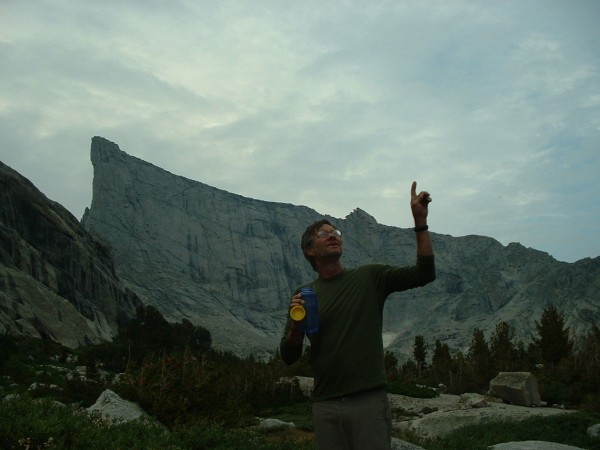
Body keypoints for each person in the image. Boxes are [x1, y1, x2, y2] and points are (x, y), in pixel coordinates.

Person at [279, 181, 436, 450]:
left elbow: (424, 274)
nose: (332, 235)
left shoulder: (369, 277)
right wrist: (296, 326)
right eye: (323, 233)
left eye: (335, 231)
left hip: (368, 400)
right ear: (309, 250)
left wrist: (420, 223)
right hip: (325, 403)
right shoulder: (305, 294)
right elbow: (289, 356)